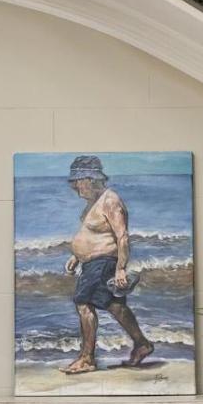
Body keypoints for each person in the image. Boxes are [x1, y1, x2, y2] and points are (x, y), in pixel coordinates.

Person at [61, 155, 154, 374]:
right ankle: (142, 344)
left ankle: (87, 358)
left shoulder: (110, 200)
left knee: (83, 304)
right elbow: (92, 235)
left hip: (102, 263)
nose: (75, 187)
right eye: (73, 181)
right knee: (115, 306)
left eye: (78, 181)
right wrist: (77, 256)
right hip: (93, 263)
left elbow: (122, 236)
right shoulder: (93, 203)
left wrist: (120, 268)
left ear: (91, 179)